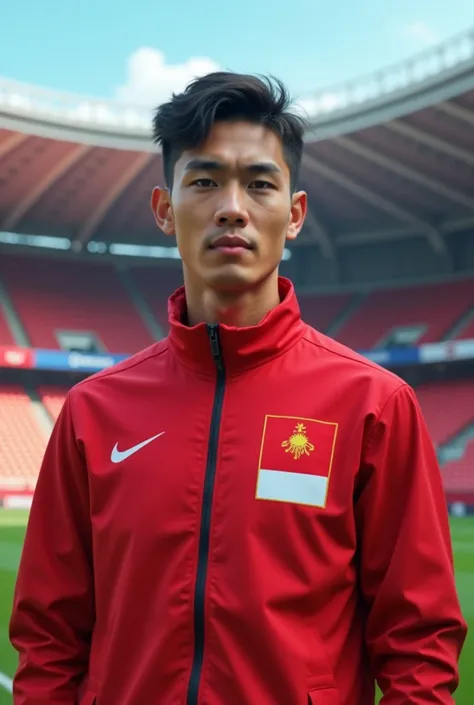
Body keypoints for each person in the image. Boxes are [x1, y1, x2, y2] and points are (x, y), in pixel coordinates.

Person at [10, 72, 467, 705]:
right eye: (204, 181)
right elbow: (50, 634)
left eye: (259, 183)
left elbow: (418, 640)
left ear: (295, 213)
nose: (232, 206)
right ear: (165, 210)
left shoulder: (373, 405)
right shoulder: (93, 411)